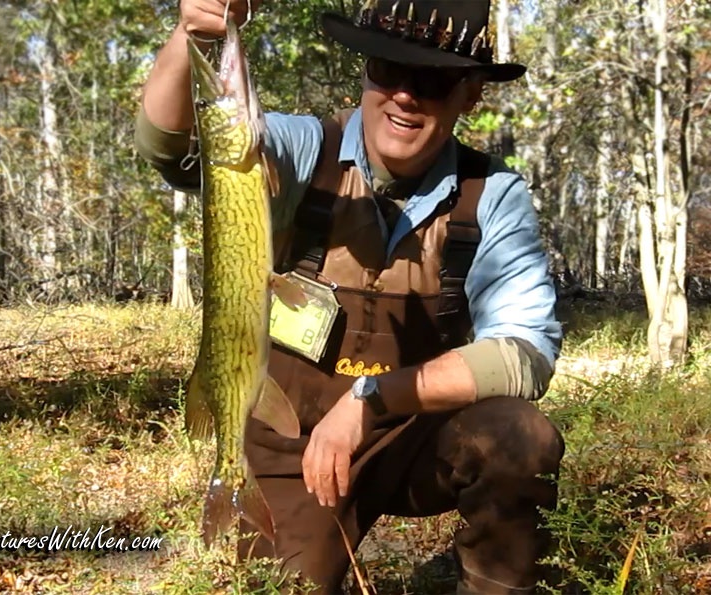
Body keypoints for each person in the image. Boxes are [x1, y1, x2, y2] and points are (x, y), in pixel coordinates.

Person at [135, 0, 566, 593]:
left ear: (471, 95)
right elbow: (168, 145)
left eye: (433, 81)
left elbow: (526, 352)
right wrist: (192, 34)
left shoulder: (491, 196)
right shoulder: (296, 150)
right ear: (365, 70)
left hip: (415, 436)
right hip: (294, 446)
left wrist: (370, 399)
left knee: (519, 437)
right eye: (388, 69)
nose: (405, 96)